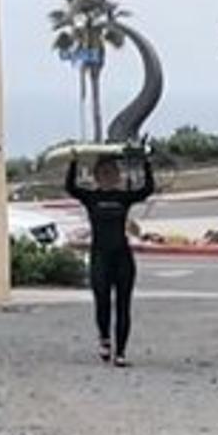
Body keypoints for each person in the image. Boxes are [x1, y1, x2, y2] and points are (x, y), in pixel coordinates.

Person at [64, 150, 154, 367]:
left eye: (112, 172)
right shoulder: (91, 197)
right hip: (100, 257)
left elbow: (147, 189)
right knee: (102, 302)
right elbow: (71, 188)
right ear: (96, 176)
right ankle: (104, 338)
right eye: (104, 173)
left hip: (122, 257)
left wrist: (146, 164)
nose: (108, 176)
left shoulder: (123, 197)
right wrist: (74, 162)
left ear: (117, 175)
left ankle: (121, 353)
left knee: (123, 305)